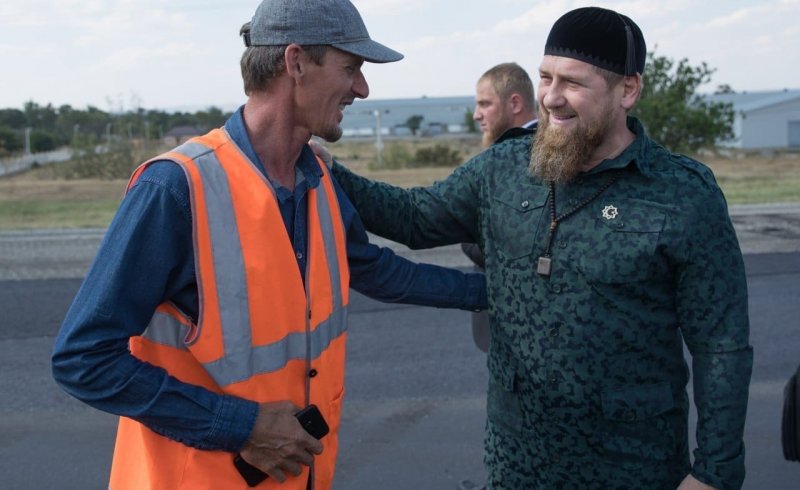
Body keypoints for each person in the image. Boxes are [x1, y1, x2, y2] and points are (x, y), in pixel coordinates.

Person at [50, 1, 487, 489]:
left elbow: (376, 270)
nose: (362, 88)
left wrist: (498, 292)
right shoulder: (176, 188)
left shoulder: (317, 176)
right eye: (351, 68)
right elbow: (83, 359)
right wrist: (240, 426)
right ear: (295, 63)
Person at [328, 6, 752, 489]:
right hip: (517, 464)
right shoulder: (504, 168)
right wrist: (330, 170)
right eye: (546, 77)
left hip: (635, 467)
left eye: (573, 82)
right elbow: (413, 216)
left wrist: (715, 474)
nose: (551, 98)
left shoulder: (682, 194)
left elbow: (722, 345)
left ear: (627, 90)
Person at [464, 61, 538, 353]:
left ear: (515, 103)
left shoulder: (520, 159)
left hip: (517, 322)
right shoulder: (541, 149)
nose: (476, 114)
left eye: (485, 104)